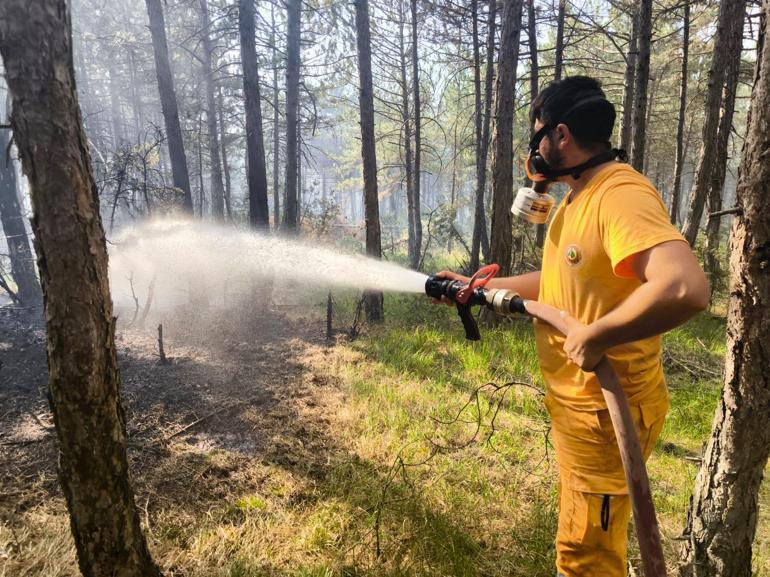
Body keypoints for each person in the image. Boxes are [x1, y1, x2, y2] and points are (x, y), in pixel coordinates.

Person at [436, 76, 709, 576]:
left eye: (537, 133)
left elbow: (683, 287)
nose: (533, 148)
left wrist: (597, 334)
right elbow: (563, 277)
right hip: (584, 410)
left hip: (609, 412)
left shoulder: (619, 193)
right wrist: (481, 288)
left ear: (560, 136)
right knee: (582, 541)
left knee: (586, 558)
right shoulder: (580, 196)